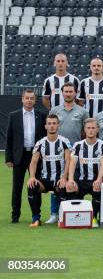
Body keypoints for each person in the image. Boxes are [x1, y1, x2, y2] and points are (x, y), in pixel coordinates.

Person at [48, 82, 88, 223]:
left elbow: (85, 133)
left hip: (75, 153)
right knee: (55, 181)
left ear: (75, 93)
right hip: (57, 153)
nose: (68, 94)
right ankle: (54, 213)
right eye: (66, 91)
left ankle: (68, 212)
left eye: (71, 91)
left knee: (72, 181)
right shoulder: (55, 110)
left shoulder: (82, 111)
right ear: (62, 93)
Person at [5, 89, 46, 223]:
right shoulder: (14, 115)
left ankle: (36, 215)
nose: (29, 100)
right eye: (27, 98)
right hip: (19, 155)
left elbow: (44, 138)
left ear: (35, 100)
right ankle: (15, 216)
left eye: (32, 98)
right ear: (22, 99)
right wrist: (8, 158)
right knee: (17, 187)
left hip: (35, 156)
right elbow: (9, 138)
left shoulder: (41, 115)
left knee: (36, 185)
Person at [25, 114, 71, 227]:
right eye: (49, 124)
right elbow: (33, 162)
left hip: (60, 179)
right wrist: (32, 177)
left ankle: (61, 218)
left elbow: (68, 161)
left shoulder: (64, 141)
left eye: (54, 123)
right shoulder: (40, 143)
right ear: (45, 126)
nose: (52, 126)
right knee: (32, 185)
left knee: (63, 187)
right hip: (45, 180)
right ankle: (36, 219)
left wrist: (64, 178)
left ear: (58, 125)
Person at [66, 118, 103, 227]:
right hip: (81, 180)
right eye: (88, 128)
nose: (90, 130)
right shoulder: (78, 145)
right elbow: (72, 163)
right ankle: (74, 218)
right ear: (84, 130)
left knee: (97, 187)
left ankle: (94, 218)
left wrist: (99, 179)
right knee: (70, 187)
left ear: (98, 130)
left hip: (95, 179)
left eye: (93, 128)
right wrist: (71, 180)